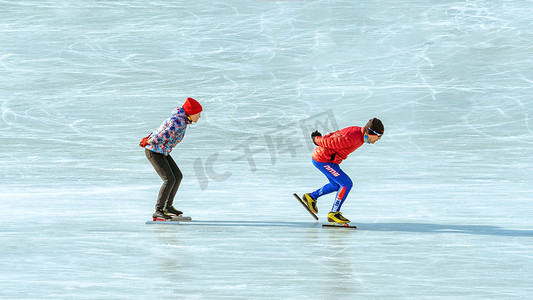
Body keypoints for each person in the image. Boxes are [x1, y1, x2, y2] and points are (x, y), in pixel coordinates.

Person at [302, 118, 384, 224]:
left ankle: (311, 197)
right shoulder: (353, 136)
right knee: (346, 184)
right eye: (379, 136)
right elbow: (331, 141)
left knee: (336, 185)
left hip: (330, 161)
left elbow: (335, 135)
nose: (379, 139)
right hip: (323, 159)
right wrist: (316, 139)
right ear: (371, 133)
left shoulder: (359, 135)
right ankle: (334, 213)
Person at [139, 97, 203, 220]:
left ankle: (167, 207)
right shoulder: (178, 122)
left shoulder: (182, 121)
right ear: (191, 113)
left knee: (177, 176)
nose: (199, 116)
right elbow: (160, 134)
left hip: (161, 151)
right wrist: (148, 140)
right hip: (154, 151)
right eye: (198, 113)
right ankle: (158, 210)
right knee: (169, 179)